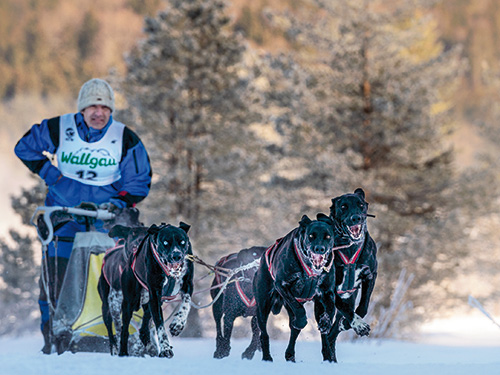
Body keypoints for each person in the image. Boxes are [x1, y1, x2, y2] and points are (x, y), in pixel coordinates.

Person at [14, 78, 152, 353]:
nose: (98, 113)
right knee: (55, 281)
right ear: (82, 109)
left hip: (106, 223)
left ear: (111, 111)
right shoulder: (60, 129)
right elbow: (25, 146)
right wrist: (51, 174)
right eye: (92, 107)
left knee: (116, 280)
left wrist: (118, 202)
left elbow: (139, 180)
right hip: (65, 219)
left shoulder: (125, 138)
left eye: (104, 107)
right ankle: (54, 339)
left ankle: (124, 334)